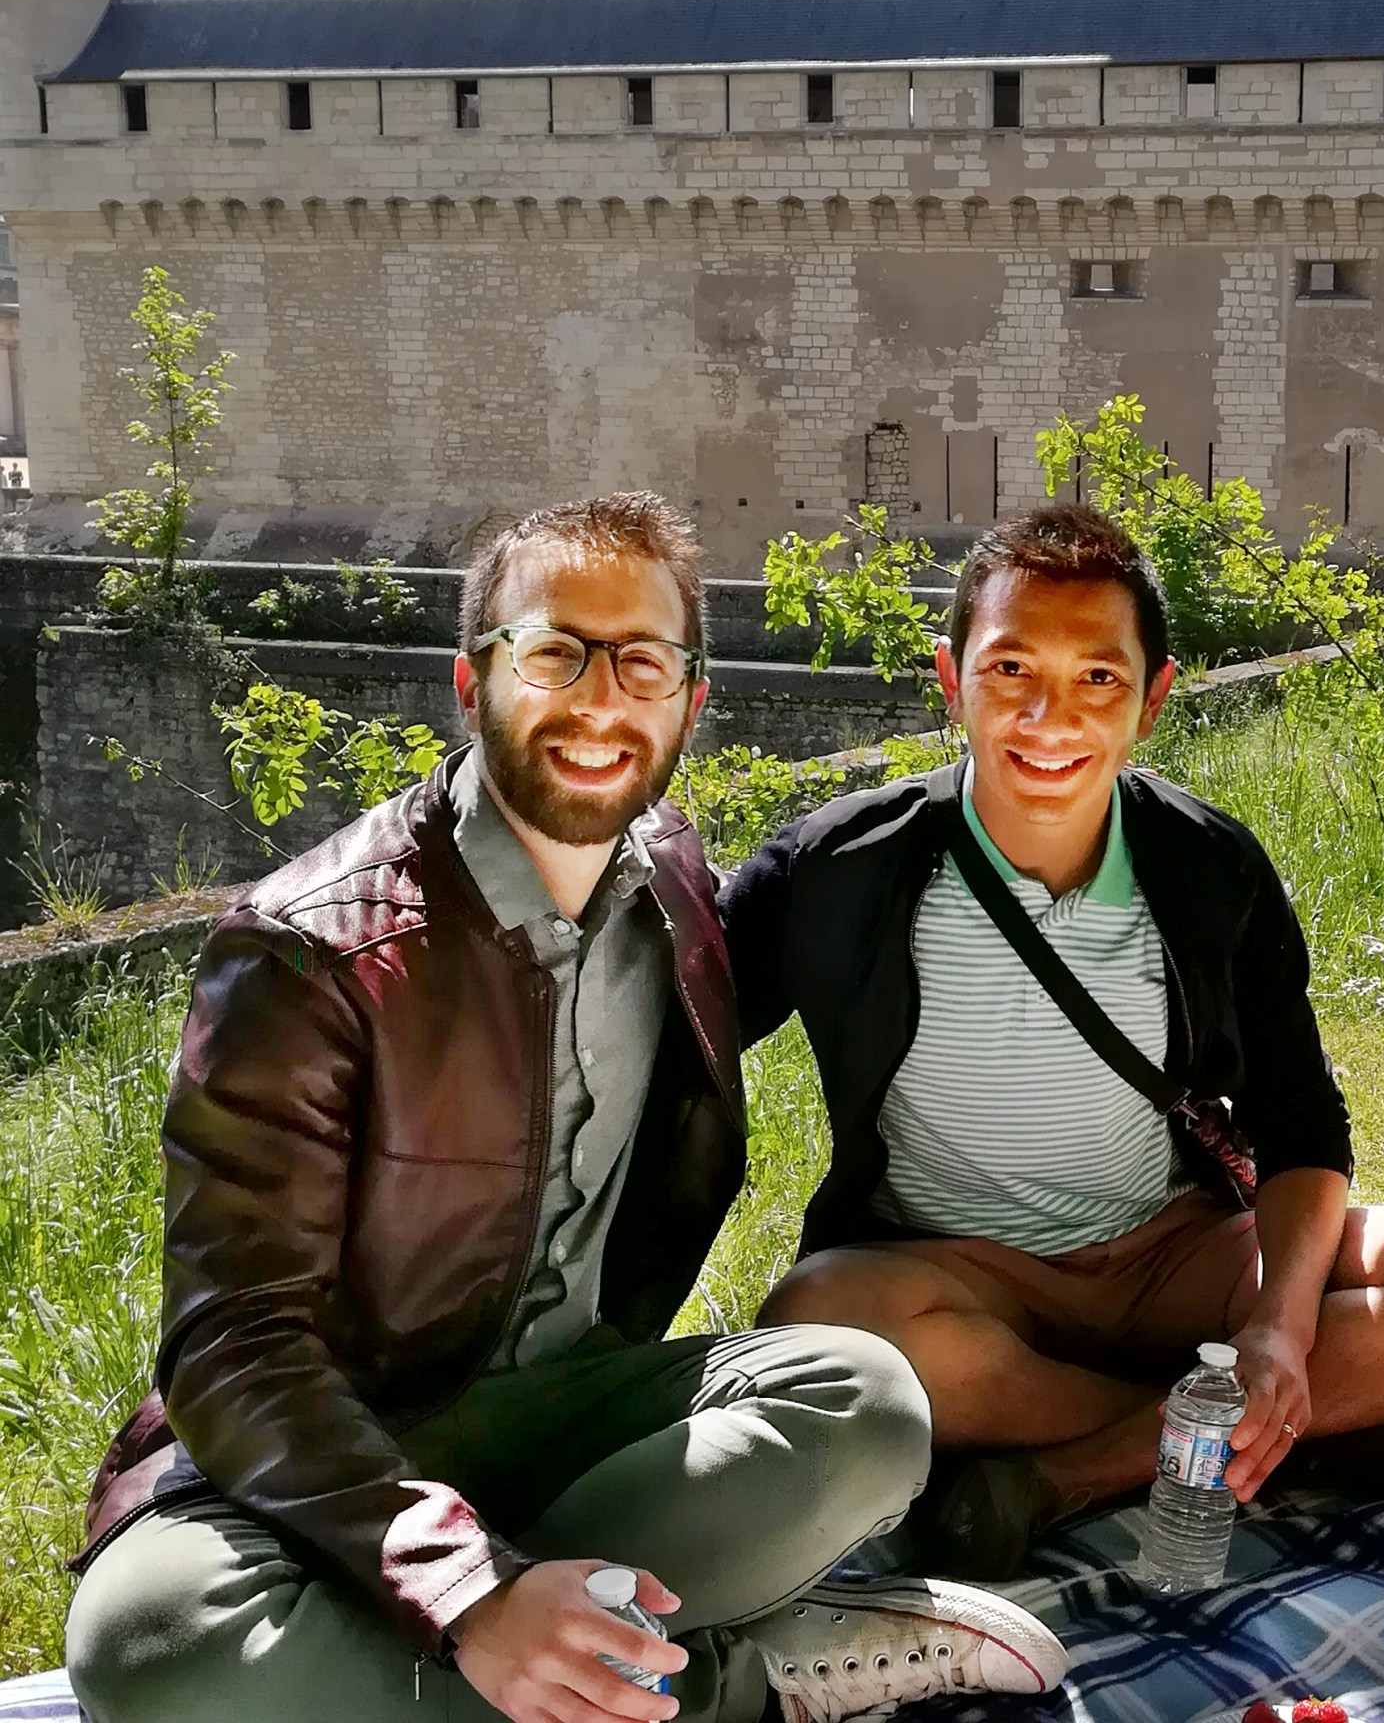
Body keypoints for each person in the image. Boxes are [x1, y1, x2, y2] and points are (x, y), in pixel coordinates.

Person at [63, 493, 1064, 1723]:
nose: (600, 701)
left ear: (692, 701)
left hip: (564, 1426)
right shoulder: (305, 954)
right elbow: (235, 1348)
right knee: (148, 1646)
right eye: (554, 653)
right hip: (329, 1454)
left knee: (865, 1402)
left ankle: (526, 1649)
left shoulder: (679, 886)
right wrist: (469, 1592)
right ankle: (724, 1679)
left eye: (642, 662)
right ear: (471, 679)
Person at [720, 502, 1384, 1578]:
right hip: (960, 1279)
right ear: (951, 677)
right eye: (1011, 669)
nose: (1050, 718)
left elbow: (1303, 1126)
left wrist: (1276, 1333)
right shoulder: (838, 868)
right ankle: (1271, 1435)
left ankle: (1072, 1472)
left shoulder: (1207, 868)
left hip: (1174, 1255)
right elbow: (674, 1044)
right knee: (814, 1322)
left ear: (1153, 699)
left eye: (1098, 679)